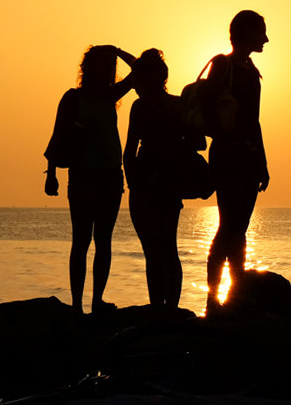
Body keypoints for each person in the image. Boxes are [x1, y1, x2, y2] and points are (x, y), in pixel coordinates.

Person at [45, 45, 136, 314]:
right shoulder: (73, 98)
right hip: (83, 176)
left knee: (104, 241)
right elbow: (58, 135)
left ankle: (97, 302)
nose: (107, 69)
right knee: (81, 241)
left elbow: (138, 69)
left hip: (109, 175)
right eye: (102, 63)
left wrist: (116, 50)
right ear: (88, 67)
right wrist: (51, 174)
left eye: (110, 65)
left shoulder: (110, 95)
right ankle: (76, 305)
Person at [204, 10, 269, 314]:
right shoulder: (223, 64)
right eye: (261, 33)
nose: (266, 39)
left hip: (248, 156)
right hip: (228, 155)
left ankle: (236, 293)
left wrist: (263, 162)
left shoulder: (250, 68)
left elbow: (254, 121)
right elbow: (209, 108)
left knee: (239, 228)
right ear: (245, 33)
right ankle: (213, 298)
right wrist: (230, 141)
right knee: (228, 226)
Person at [123, 49, 187, 309]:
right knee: (169, 248)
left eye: (138, 78)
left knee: (153, 251)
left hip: (147, 182)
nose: (135, 84)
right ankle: (170, 307)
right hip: (171, 181)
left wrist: (132, 184)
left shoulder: (141, 106)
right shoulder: (177, 104)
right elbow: (196, 141)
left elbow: (128, 150)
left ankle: (158, 309)